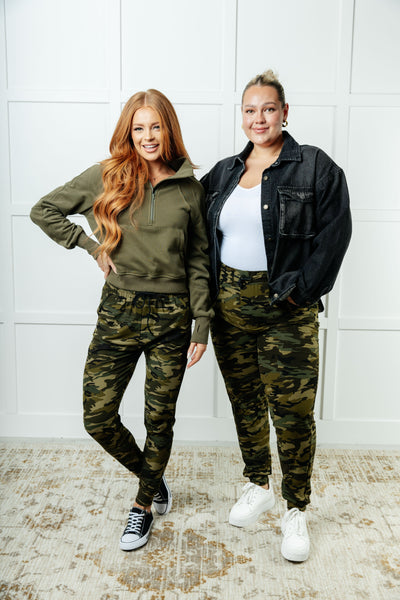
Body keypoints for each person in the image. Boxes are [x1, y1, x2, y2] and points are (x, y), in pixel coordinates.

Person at [30, 89, 212, 552]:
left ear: (168, 129)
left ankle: (142, 504)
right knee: (97, 416)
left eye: (156, 127)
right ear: (128, 132)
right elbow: (44, 210)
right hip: (119, 312)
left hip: (173, 317)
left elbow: (199, 259)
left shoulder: (191, 189)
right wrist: (91, 246)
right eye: (139, 128)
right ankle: (152, 477)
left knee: (159, 418)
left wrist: (202, 323)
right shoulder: (107, 175)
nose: (148, 137)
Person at [201, 70, 351, 562]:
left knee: (292, 414)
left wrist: (298, 294)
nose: (259, 118)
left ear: (284, 112)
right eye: (250, 110)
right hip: (229, 313)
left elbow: (335, 236)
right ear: (241, 116)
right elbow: (194, 228)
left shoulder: (315, 167)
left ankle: (296, 509)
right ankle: (258, 484)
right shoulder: (223, 173)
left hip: (285, 310)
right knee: (245, 403)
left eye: (268, 109)